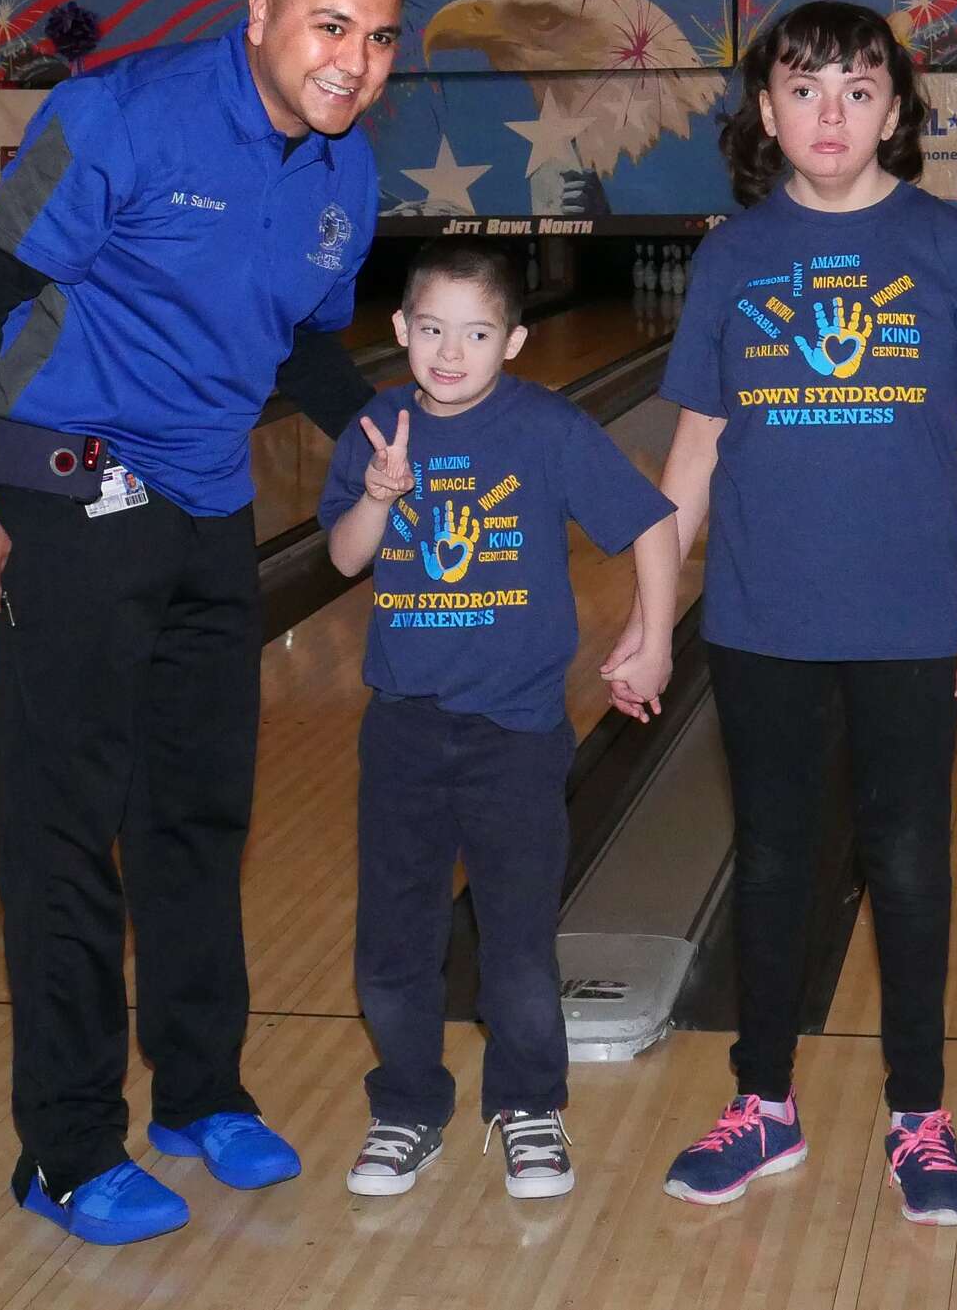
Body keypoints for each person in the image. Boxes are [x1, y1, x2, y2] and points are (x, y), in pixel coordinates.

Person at [0, 0, 405, 1246]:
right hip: (64, 490)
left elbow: (305, 349)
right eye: (327, 24)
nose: (350, 61)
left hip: (204, 507)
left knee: (199, 813)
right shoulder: (117, 116)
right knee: (67, 831)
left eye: (376, 40)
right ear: (257, 10)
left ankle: (201, 1091)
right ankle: (67, 1147)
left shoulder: (344, 174)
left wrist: (375, 424)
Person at [604, 0, 957, 1226]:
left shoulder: (949, 247)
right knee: (776, 861)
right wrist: (650, 614)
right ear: (766, 115)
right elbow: (693, 452)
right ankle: (766, 1105)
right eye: (804, 89)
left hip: (911, 622)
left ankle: (919, 1114)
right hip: (759, 620)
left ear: (897, 109)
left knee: (906, 864)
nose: (830, 112)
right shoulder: (735, 258)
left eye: (856, 88)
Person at [318, 238, 678, 1199]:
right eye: (431, 329)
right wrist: (379, 496)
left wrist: (656, 635)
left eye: (475, 333)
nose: (449, 351)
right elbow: (347, 559)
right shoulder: (376, 427)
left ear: (514, 340)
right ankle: (405, 1109)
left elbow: (651, 519)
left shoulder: (546, 430)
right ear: (400, 329)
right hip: (401, 727)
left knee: (517, 943)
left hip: (515, 731)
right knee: (393, 943)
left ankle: (528, 1107)